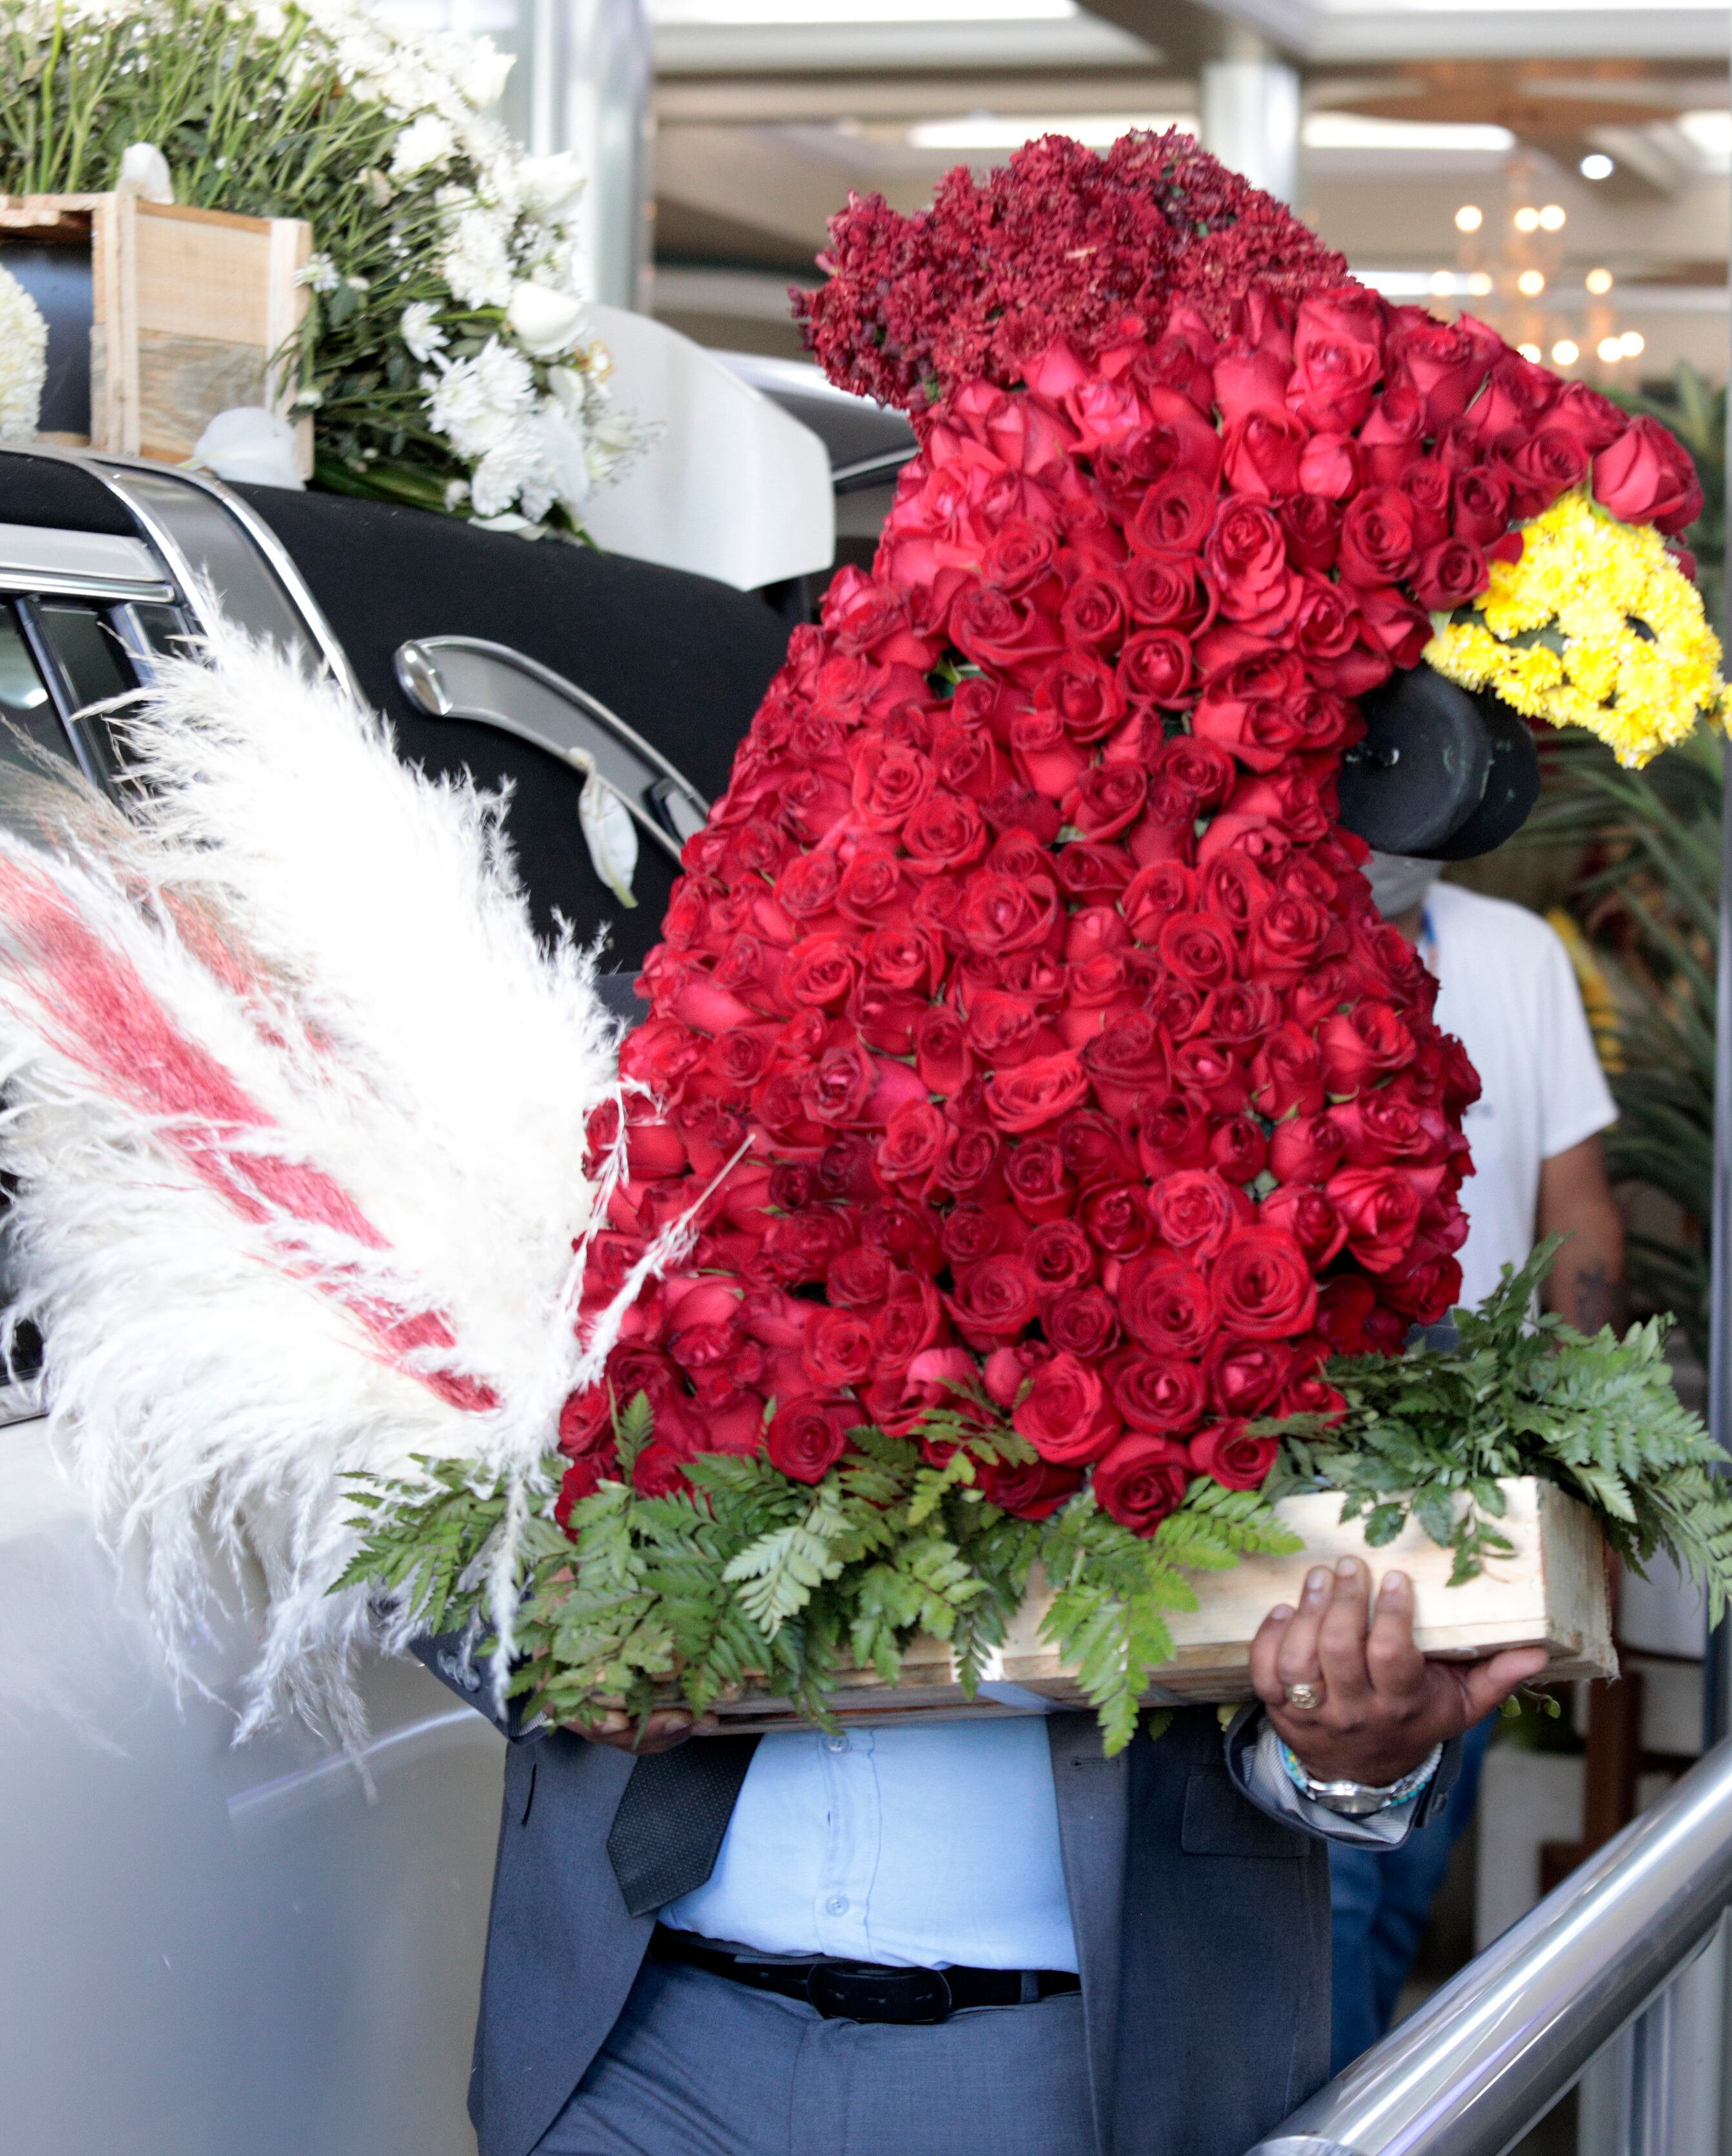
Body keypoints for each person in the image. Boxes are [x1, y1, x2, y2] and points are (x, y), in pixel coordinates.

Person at [421, 1544, 1550, 2155]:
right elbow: (363, 1454)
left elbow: (1305, 1574)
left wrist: (1353, 1757)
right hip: (636, 2053)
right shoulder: (567, 1130)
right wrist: (542, 1646)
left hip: (1064, 2078)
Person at [1326, 849, 1625, 2070]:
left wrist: (1585, 1451)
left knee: (1413, 1867)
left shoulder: (1517, 951)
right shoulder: (1239, 920)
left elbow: (1583, 1208)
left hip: (1488, 1461)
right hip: (1320, 1461)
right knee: (1337, 1877)